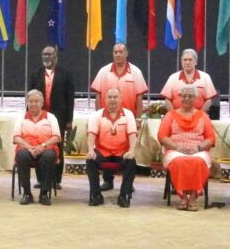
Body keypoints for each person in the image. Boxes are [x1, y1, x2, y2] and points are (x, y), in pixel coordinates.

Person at [90, 43, 147, 191]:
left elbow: (139, 97)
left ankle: (128, 183)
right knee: (106, 147)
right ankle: (108, 181)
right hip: (106, 119)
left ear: (127, 53)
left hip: (128, 120)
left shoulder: (135, 72)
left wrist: (138, 119)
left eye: (121, 51)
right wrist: (99, 116)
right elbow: (98, 96)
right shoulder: (104, 71)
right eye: (115, 52)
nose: (118, 54)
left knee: (129, 151)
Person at [157, 86, 215, 212]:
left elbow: (210, 138)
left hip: (198, 149)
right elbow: (162, 137)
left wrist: (198, 148)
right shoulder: (170, 115)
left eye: (190, 96)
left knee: (199, 162)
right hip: (175, 149)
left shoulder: (203, 116)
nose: (186, 98)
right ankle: (182, 197)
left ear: (196, 98)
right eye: (184, 96)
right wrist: (178, 147)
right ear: (179, 98)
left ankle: (194, 197)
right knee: (179, 162)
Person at [28, 44, 75, 188]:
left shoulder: (66, 74)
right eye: (44, 54)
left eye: (49, 54)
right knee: (37, 143)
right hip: (38, 117)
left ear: (56, 56)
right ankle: (41, 179)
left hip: (58, 117)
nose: (46, 57)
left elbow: (70, 98)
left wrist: (69, 120)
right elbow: (29, 98)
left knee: (57, 147)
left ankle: (56, 179)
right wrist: (28, 116)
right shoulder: (35, 74)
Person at [86, 87, 138, 208]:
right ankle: (96, 195)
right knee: (90, 160)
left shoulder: (128, 114)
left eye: (115, 97)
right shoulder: (97, 115)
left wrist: (131, 151)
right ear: (105, 99)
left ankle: (123, 195)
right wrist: (90, 150)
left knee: (131, 161)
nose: (112, 100)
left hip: (121, 152)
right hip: (103, 152)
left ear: (120, 99)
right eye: (110, 97)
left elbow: (132, 134)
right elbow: (91, 134)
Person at [12, 89, 62, 206]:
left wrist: (42, 146)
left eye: (36, 101)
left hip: (46, 148)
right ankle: (27, 193)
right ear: (27, 103)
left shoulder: (51, 117)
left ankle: (44, 193)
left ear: (42, 103)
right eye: (31, 101)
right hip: (27, 148)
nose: (33, 104)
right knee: (22, 156)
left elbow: (57, 137)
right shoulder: (21, 118)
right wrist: (29, 147)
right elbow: (16, 138)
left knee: (49, 156)